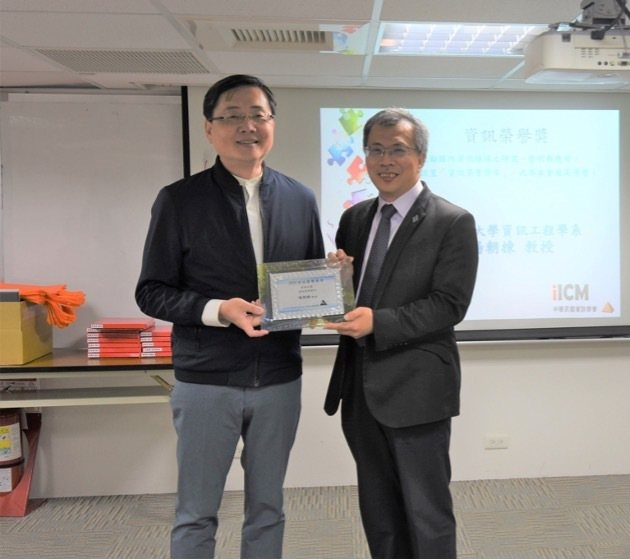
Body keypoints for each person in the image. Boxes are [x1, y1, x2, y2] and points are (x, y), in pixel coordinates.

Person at [135, 74, 325, 559]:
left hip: (279, 378)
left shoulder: (300, 199)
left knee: (268, 508)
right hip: (206, 380)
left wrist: (332, 283)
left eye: (258, 115)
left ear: (272, 124)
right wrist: (218, 310)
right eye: (233, 116)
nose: (248, 126)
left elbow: (309, 286)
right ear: (209, 128)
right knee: (196, 512)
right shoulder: (180, 200)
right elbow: (151, 292)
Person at [323, 108, 479, 558]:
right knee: (379, 512)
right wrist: (338, 280)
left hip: (417, 389)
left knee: (426, 513)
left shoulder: (452, 221)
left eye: (397, 150)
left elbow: (449, 305)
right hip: (359, 389)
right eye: (375, 150)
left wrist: (380, 322)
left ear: (420, 157)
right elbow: (352, 300)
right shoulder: (355, 218)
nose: (385, 160)